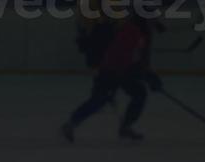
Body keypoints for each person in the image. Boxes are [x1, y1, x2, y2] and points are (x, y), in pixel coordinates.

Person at [61, 14, 163, 143]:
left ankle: (126, 127)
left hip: (123, 71)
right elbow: (124, 57)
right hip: (111, 71)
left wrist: (149, 75)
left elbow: (140, 59)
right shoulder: (132, 31)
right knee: (100, 100)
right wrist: (146, 75)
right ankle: (70, 124)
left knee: (139, 93)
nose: (155, 21)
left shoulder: (142, 32)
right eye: (153, 18)